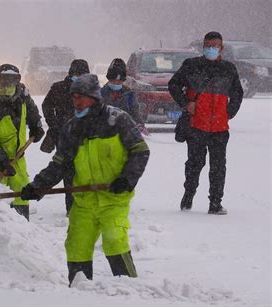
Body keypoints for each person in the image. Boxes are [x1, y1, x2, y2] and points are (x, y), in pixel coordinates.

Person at [21, 74, 150, 286]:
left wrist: (127, 179)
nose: (76, 102)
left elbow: (140, 151)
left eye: (81, 97)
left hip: (113, 197)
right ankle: (79, 293)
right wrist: (38, 186)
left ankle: (128, 291)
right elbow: (60, 164)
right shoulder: (72, 128)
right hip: (83, 201)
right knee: (76, 245)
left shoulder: (118, 120)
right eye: (74, 97)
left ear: (94, 97)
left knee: (114, 239)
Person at [168, 31, 243, 215]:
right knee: (194, 163)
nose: (211, 49)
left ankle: (215, 203)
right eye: (208, 45)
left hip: (219, 127)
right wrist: (187, 104)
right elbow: (173, 84)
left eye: (215, 46)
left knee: (218, 167)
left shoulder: (229, 69)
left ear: (221, 48)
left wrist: (228, 113)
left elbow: (237, 93)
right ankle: (188, 195)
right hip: (196, 125)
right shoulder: (191, 65)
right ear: (203, 46)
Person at [0, 64, 45, 221]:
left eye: (11, 83)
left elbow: (33, 113)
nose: (7, 87)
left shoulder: (23, 96)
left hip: (17, 161)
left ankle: (22, 237)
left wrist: (36, 127)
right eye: (4, 83)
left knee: (21, 197)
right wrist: (2, 161)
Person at [40, 59, 90, 217]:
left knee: (78, 171)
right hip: (66, 136)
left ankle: (79, 205)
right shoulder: (59, 87)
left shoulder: (89, 89)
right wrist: (53, 125)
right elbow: (46, 105)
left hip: (80, 137)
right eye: (81, 73)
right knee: (69, 171)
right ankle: (72, 207)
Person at [101, 58, 147, 132]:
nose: (116, 84)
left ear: (123, 81)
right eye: (113, 81)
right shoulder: (101, 94)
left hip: (125, 133)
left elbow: (135, 113)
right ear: (108, 79)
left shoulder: (129, 95)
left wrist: (140, 125)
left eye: (119, 82)